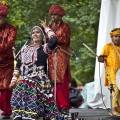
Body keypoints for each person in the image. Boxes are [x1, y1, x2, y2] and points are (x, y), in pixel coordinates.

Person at [10, 25, 63, 120]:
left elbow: (54, 40)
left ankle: (30, 115)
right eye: (33, 32)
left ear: (42, 36)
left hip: (40, 81)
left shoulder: (44, 48)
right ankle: (21, 115)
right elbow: (18, 66)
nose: (35, 34)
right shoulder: (24, 49)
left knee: (26, 84)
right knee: (21, 85)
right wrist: (13, 80)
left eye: (38, 32)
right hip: (25, 80)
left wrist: (46, 28)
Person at [48, 4, 71, 113]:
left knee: (61, 80)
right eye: (52, 15)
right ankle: (56, 105)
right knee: (53, 80)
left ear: (61, 16)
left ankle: (64, 105)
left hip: (62, 55)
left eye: (55, 15)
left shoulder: (65, 26)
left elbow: (64, 40)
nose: (53, 17)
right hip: (51, 55)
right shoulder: (50, 26)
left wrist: (52, 37)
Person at [0, 0, 17, 119]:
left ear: (5, 17)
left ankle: (7, 111)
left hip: (6, 64)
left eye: (1, 17)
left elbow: (8, 44)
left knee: (6, 87)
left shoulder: (12, 29)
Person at [98, 28, 120, 116]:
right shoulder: (108, 46)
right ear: (111, 37)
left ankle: (118, 109)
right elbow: (101, 59)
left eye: (119, 36)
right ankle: (114, 110)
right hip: (111, 73)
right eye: (115, 36)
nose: (117, 38)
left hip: (119, 73)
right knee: (116, 90)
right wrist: (101, 58)